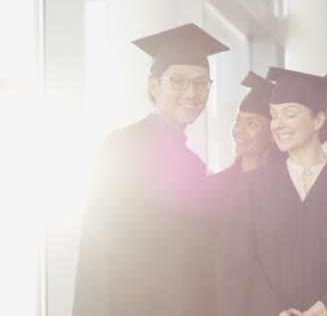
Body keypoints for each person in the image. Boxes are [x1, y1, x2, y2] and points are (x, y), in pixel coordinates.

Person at [72, 23, 229, 316]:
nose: (191, 92)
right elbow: (97, 253)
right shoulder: (120, 149)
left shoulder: (193, 164)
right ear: (154, 86)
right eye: (178, 81)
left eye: (201, 82)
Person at [218, 67, 327, 316]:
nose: (278, 124)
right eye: (274, 115)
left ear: (318, 120)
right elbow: (237, 262)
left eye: (289, 114)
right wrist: (276, 310)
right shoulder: (251, 187)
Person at [207, 71, 283, 192]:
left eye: (251, 123)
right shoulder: (217, 187)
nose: (239, 130)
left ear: (274, 134)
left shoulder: (286, 189)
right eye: (238, 120)